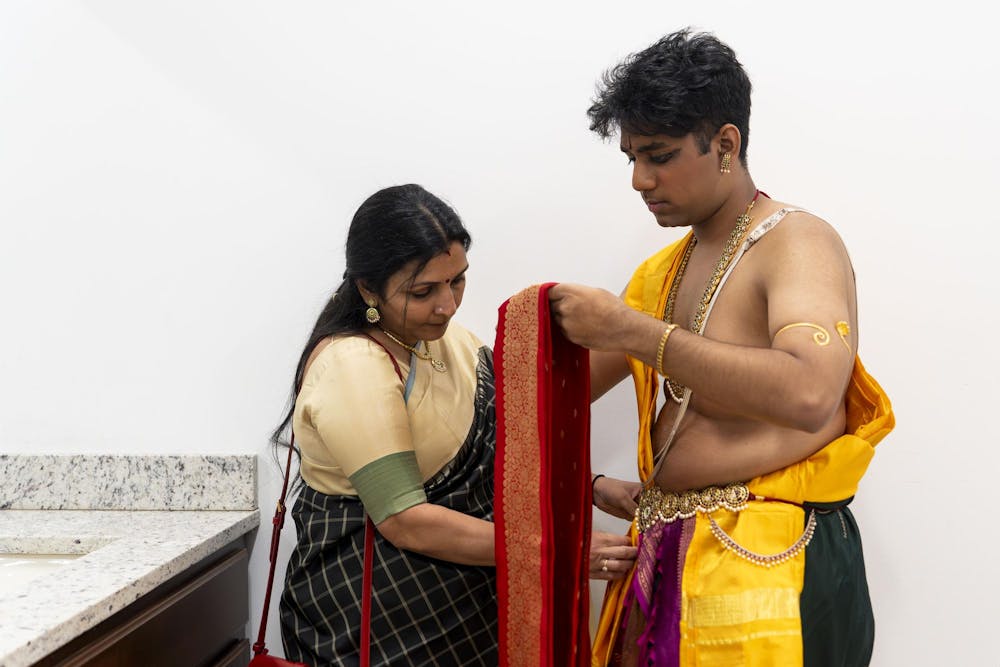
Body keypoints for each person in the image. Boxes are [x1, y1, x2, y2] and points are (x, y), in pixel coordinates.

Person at [548, 30, 894, 666]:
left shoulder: (797, 243)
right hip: (666, 553)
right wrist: (591, 483)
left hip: (770, 561)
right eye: (631, 157)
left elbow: (810, 390)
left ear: (726, 144)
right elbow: (546, 395)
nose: (637, 179)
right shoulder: (662, 272)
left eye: (658, 155)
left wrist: (632, 332)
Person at [274, 184, 637, 666]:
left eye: (457, 281)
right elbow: (406, 522)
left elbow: (507, 436)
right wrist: (557, 550)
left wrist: (591, 486)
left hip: (461, 618)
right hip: (383, 632)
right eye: (423, 292)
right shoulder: (354, 365)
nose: (448, 305)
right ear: (367, 288)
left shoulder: (443, 340)